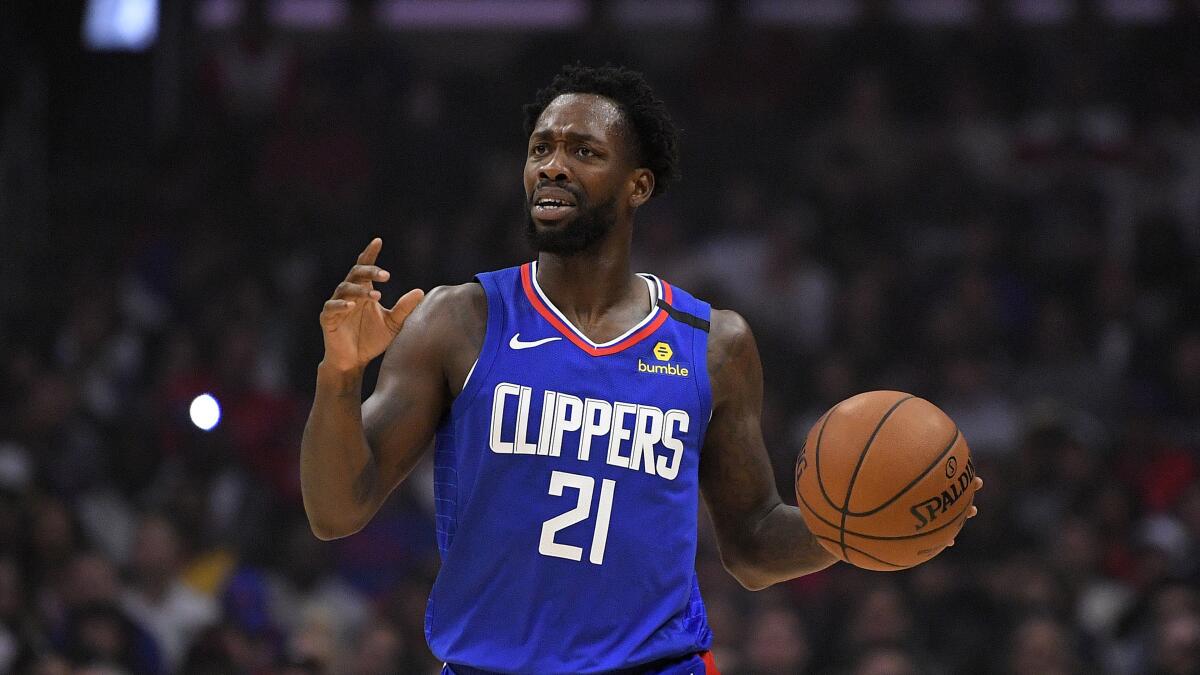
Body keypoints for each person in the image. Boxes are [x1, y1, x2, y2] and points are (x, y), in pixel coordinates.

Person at [300, 64, 981, 675]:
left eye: (583, 151)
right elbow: (335, 510)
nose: (552, 166)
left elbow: (751, 544)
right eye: (542, 148)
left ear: (638, 185)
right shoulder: (460, 319)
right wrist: (338, 375)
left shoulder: (715, 343)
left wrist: (855, 529)